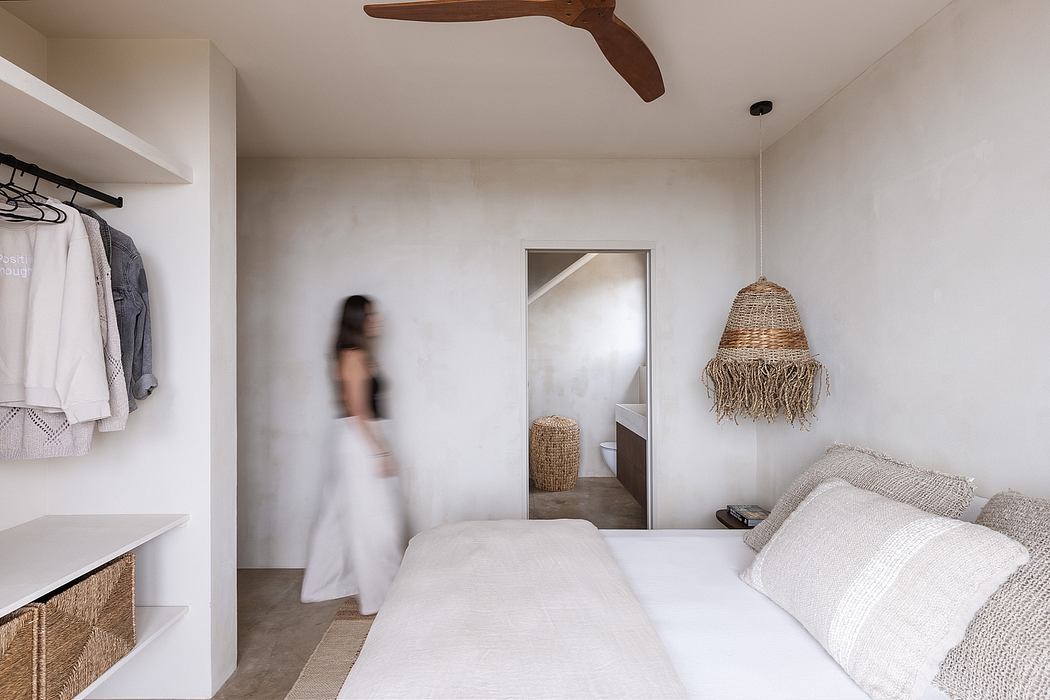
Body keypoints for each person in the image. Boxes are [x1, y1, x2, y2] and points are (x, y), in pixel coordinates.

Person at [301, 295, 404, 614]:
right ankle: (380, 595)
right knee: (375, 518)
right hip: (359, 441)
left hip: (356, 438)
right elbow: (358, 412)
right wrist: (380, 451)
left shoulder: (357, 354)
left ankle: (327, 583)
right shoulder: (353, 356)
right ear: (357, 319)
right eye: (370, 315)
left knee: (339, 514)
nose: (377, 319)